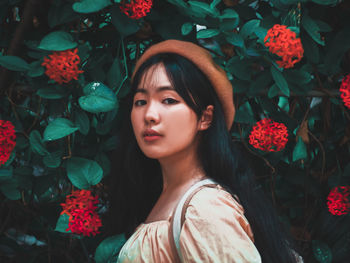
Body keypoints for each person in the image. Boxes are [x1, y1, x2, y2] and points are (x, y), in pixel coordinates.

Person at [106, 39, 302, 262]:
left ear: (205, 117)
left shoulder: (205, 210)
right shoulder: (162, 198)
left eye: (168, 100)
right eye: (140, 101)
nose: (150, 114)